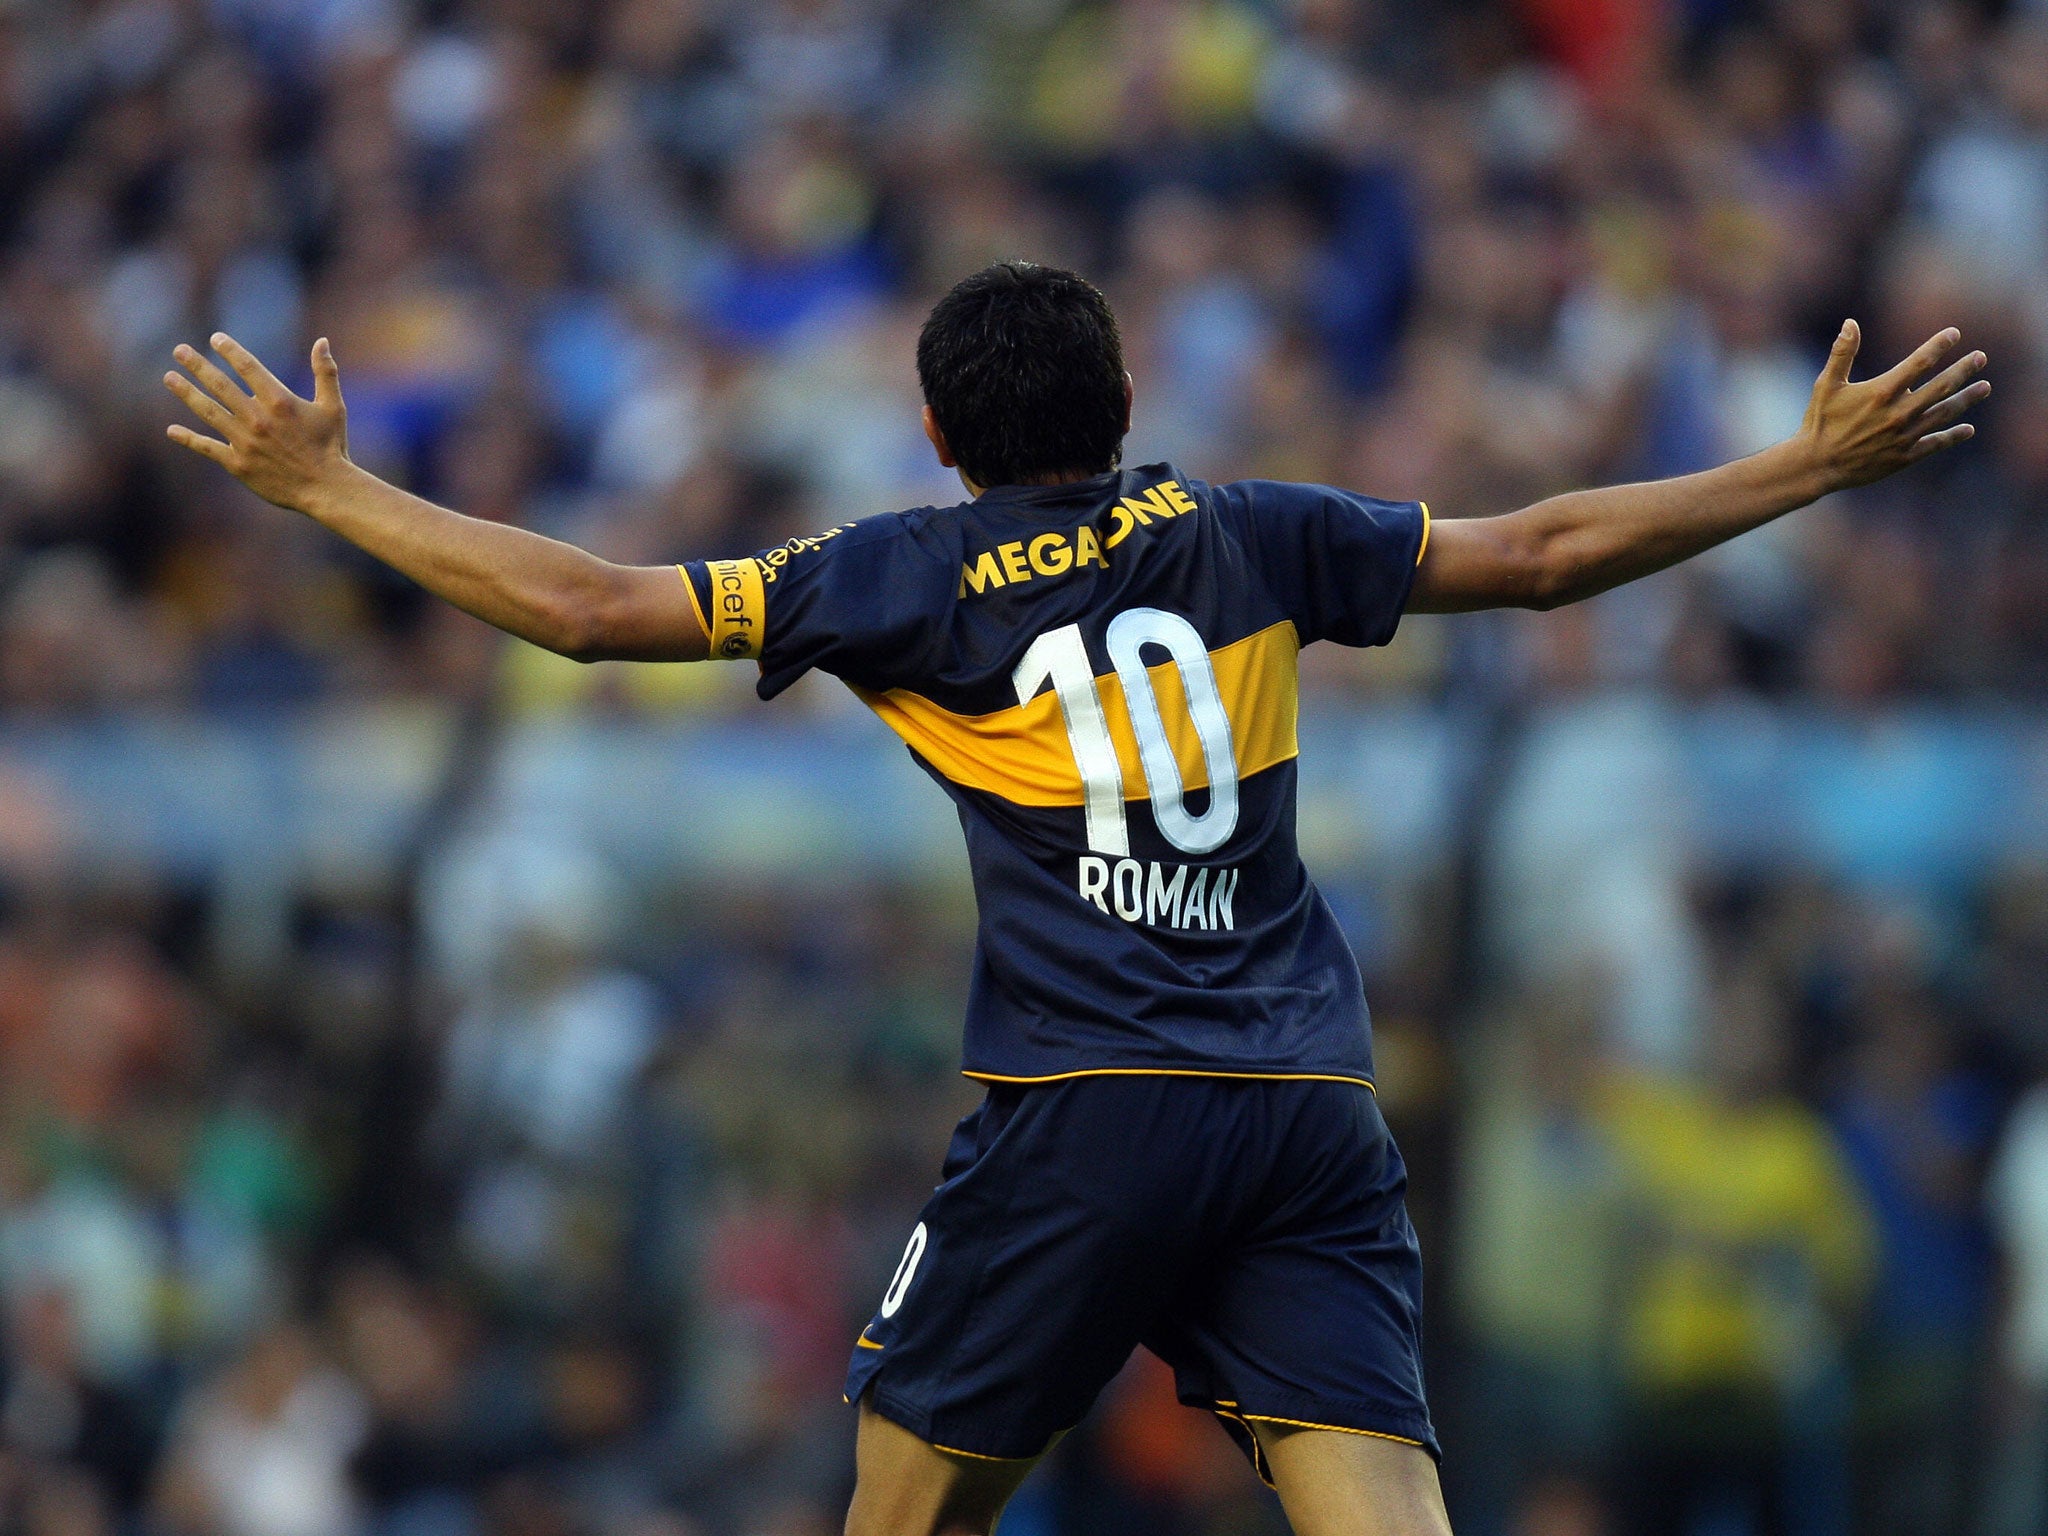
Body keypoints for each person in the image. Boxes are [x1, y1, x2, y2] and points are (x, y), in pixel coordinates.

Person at [161, 261, 1988, 1536]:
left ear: (941, 437)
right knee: (1385, 1508)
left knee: (905, 1493)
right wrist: (1807, 465)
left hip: (1084, 1109)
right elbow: (1544, 554)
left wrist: (332, 490)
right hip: (1304, 1113)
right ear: (1123, 413)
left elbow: (586, 607)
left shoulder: (901, 572)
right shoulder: (1254, 526)